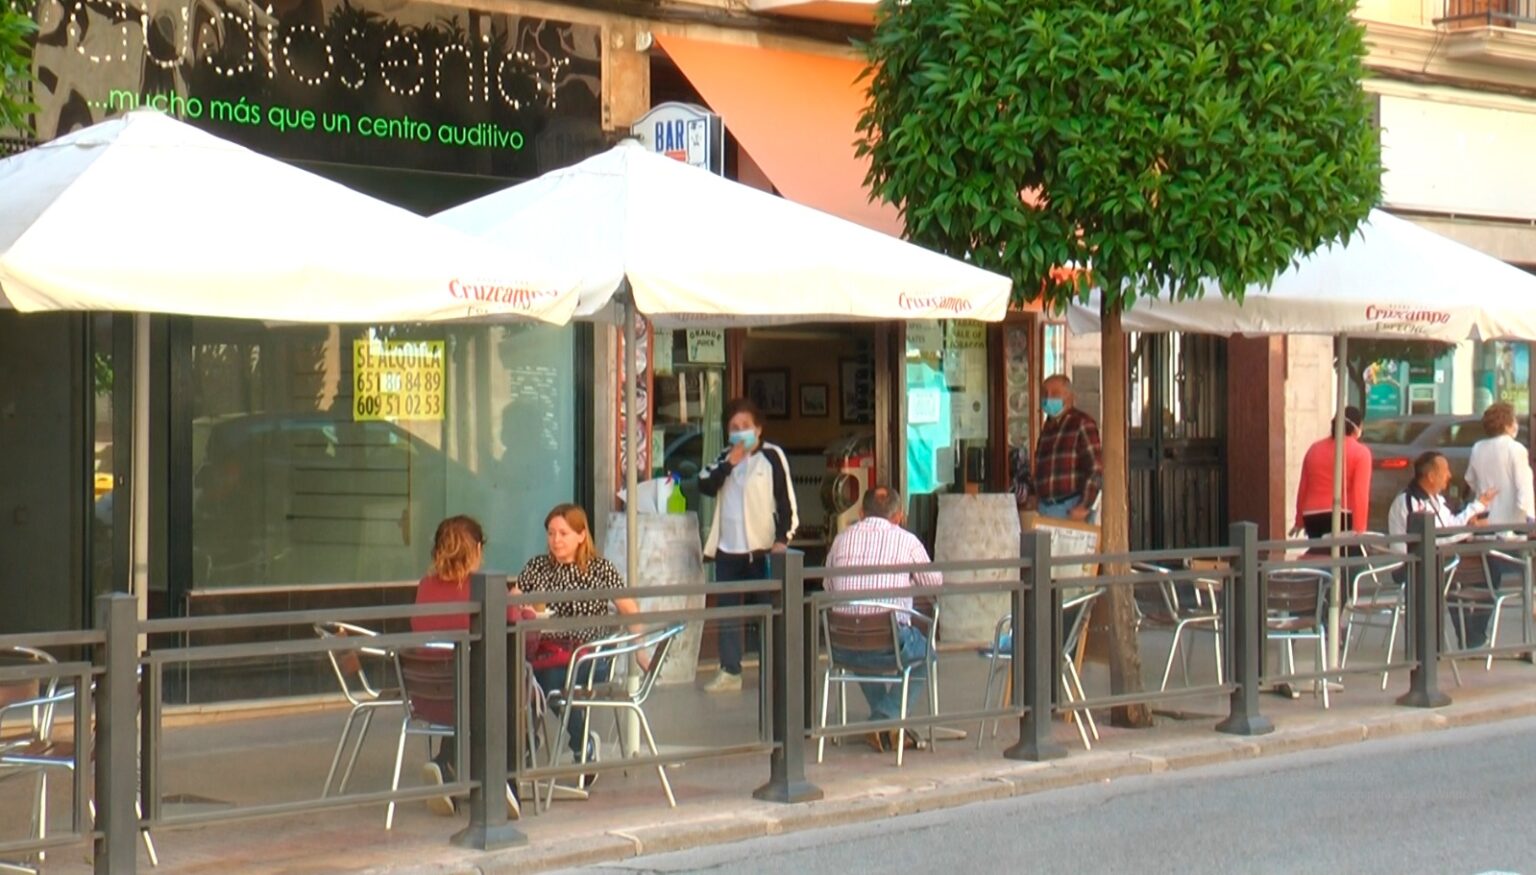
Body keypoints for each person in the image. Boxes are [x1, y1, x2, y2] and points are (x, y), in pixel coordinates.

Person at [411, 515, 531, 818]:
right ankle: (503, 781)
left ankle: (446, 767)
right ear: (477, 549)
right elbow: (524, 638)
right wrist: (521, 608)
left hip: (427, 698)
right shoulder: (483, 588)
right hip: (475, 700)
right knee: (509, 687)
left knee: (467, 679)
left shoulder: (425, 587)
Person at [515, 504, 643, 786]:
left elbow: (629, 609)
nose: (556, 540)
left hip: (590, 655)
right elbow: (513, 603)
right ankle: (540, 740)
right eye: (551, 533)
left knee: (545, 679)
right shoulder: (538, 567)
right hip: (547, 651)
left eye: (563, 533)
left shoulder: (599, 569)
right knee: (525, 675)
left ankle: (568, 743)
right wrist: (526, 611)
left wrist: (641, 651)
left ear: (581, 535)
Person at [824, 486, 942, 753]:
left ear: (861, 513)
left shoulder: (841, 540)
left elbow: (829, 587)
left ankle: (886, 725)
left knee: (863, 647)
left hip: (844, 645)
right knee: (926, 654)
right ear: (899, 516)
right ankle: (884, 721)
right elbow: (934, 584)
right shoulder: (907, 541)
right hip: (889, 644)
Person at [697, 398, 798, 693]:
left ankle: (773, 671)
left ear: (758, 429)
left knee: (766, 612)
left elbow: (786, 501)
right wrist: (730, 463)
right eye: (734, 427)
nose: (740, 431)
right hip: (728, 550)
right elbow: (704, 484)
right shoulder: (723, 458)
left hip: (761, 550)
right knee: (728, 613)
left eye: (746, 426)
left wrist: (782, 540)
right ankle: (730, 671)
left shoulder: (771, 456)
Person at [1386, 452, 1497, 647]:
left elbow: (1450, 525)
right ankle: (1468, 638)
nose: (1449, 475)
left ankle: (1471, 636)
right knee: (1465, 574)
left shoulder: (1435, 499)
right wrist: (1471, 526)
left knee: (1488, 571)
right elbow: (1437, 537)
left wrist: (1476, 510)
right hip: (1411, 567)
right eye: (1445, 471)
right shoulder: (1410, 502)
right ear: (1431, 476)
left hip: (1431, 561)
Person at [1029, 375, 1103, 522]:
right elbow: (1040, 466)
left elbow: (1096, 468)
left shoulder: (1082, 423)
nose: (1048, 398)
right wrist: (1034, 495)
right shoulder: (1048, 427)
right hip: (1045, 507)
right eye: (1045, 394)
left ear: (1070, 397)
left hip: (1071, 507)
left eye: (1055, 394)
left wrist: (1084, 505)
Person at [1292, 406, 1372, 540]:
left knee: (1318, 552)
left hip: (1311, 516)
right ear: (1357, 427)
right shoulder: (1361, 453)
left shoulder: (1314, 449)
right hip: (1341, 513)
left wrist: (1299, 520)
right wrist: (1360, 528)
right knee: (1339, 553)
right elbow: (1360, 494)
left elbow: (1304, 488)